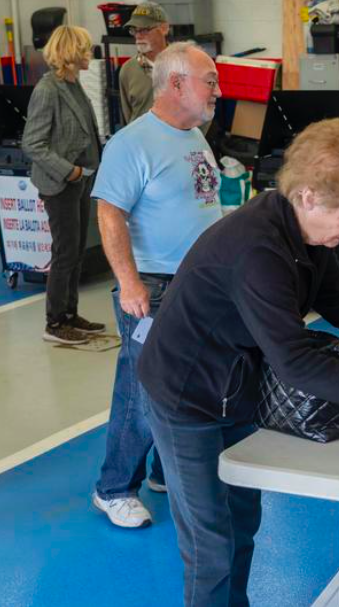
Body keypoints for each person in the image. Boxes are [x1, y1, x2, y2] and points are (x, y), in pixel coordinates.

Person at [136, 118, 339, 607]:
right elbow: (294, 362)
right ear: (309, 196)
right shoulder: (258, 249)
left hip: (236, 385)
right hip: (187, 397)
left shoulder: (302, 233)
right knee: (211, 543)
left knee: (243, 521)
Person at [90, 41, 223, 528]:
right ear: (175, 84)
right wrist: (129, 284)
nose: (217, 89)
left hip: (196, 284)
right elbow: (109, 214)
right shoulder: (132, 143)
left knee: (189, 382)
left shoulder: (193, 135)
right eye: (208, 80)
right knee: (141, 391)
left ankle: (165, 469)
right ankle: (113, 488)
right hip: (154, 286)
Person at [21, 25, 105, 345]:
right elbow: (33, 143)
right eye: (84, 49)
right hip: (61, 183)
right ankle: (55, 322)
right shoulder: (48, 90)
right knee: (65, 251)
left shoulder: (74, 85)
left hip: (81, 179)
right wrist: (68, 171)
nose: (89, 54)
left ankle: (70, 313)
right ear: (70, 53)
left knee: (76, 249)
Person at [119, 1, 169, 124]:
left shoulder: (184, 64)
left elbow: (202, 109)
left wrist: (189, 141)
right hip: (141, 142)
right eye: (134, 30)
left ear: (164, 28)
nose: (138, 36)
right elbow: (128, 116)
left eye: (145, 30)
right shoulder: (127, 70)